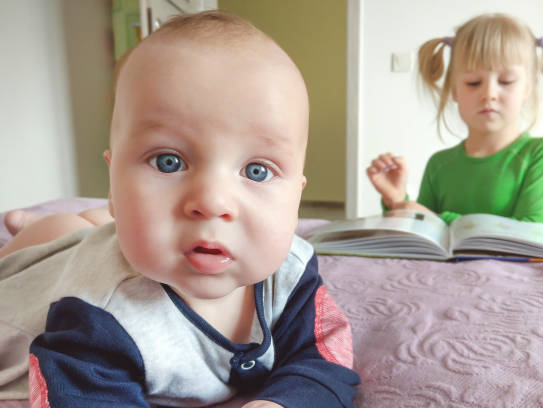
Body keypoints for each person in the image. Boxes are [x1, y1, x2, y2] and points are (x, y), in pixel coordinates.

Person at [0, 10, 359, 408]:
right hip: (42, 276)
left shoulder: (289, 277)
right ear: (113, 185)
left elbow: (325, 358)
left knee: (84, 230)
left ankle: (78, 225)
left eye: (257, 171)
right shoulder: (96, 316)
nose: (212, 202)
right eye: (168, 161)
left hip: (101, 238)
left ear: (296, 201)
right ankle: (34, 229)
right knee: (49, 239)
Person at [367, 13, 543, 225]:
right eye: (473, 83)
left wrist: (438, 219)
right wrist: (397, 200)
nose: (489, 94)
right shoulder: (438, 165)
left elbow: (533, 234)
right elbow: (424, 234)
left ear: (528, 87)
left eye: (506, 80)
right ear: (454, 90)